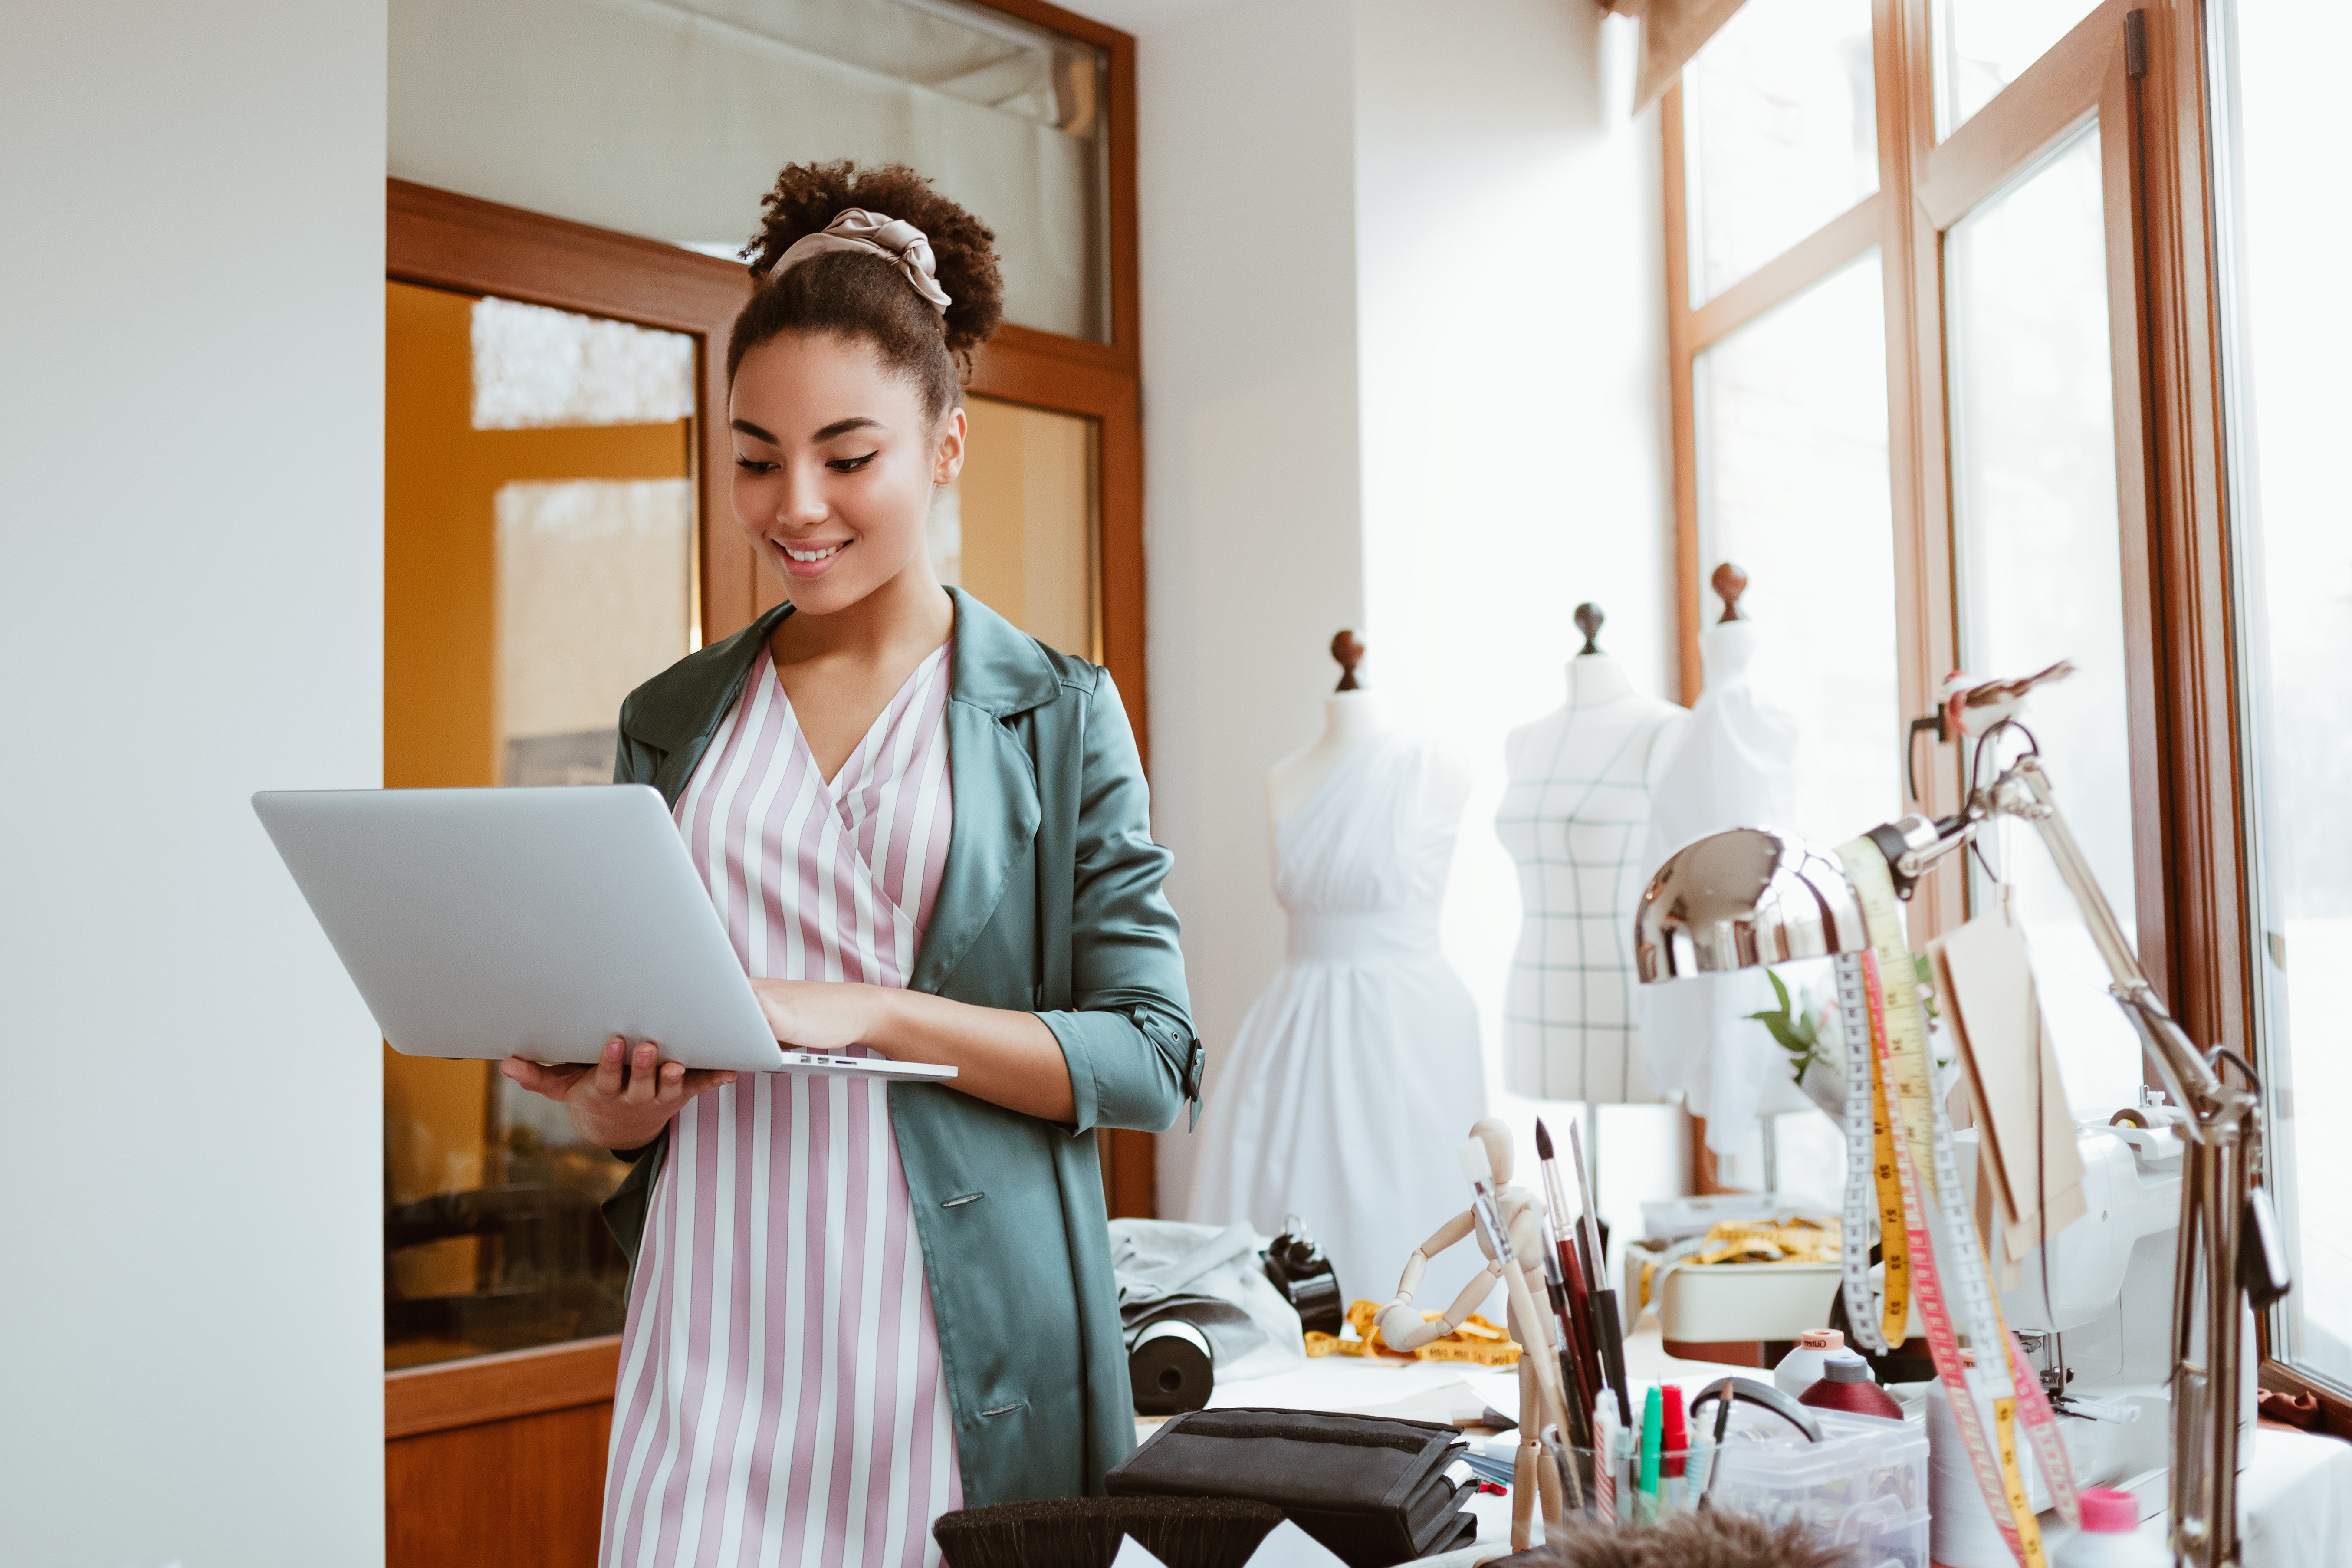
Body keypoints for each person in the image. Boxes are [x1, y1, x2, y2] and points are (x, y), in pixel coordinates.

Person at [498, 160, 1201, 1568]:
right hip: (717, 1309)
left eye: (847, 453)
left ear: (944, 446)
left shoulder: (1057, 711)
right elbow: (653, 1041)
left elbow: (1153, 1061)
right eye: (755, 456)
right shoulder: (674, 717)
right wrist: (617, 1113)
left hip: (943, 1341)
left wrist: (866, 1011)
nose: (793, 506)